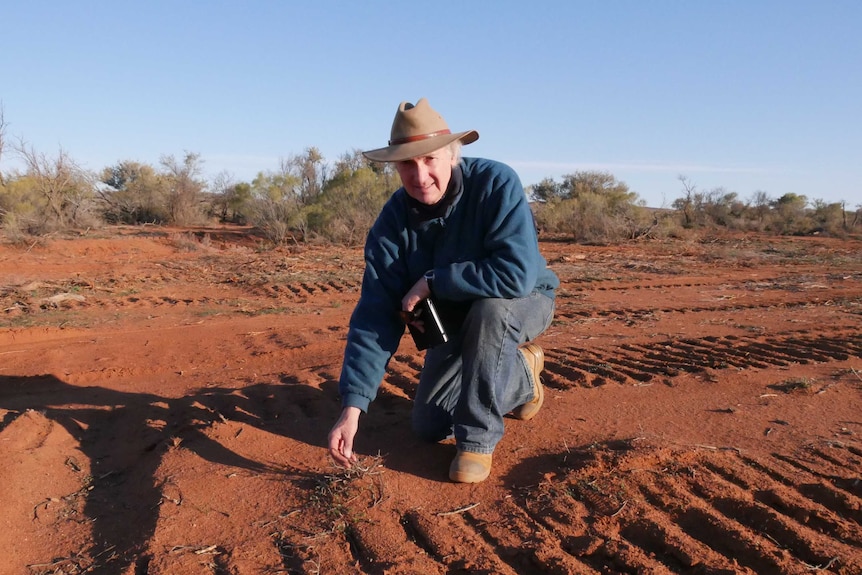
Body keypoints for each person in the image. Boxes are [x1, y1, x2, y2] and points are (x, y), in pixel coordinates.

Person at [327, 98, 559, 483]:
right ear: (394, 167)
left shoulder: (496, 183)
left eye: (430, 159)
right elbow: (374, 315)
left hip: (523, 300)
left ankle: (477, 443)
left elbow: (515, 274)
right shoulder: (392, 224)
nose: (420, 175)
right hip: (453, 314)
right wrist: (352, 408)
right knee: (429, 425)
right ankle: (522, 375)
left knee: (491, 310)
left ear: (453, 156)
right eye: (407, 163)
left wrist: (435, 280)